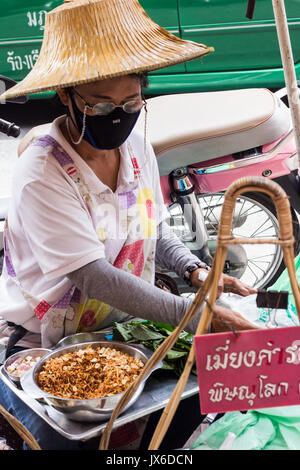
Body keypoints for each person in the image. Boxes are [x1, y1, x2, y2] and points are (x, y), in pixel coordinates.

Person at [0, 0, 257, 450]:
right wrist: (194, 315)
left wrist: (196, 272)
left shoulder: (137, 141)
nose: (118, 116)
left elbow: (151, 225)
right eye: (100, 107)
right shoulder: (43, 170)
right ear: (66, 95)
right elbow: (90, 275)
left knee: (187, 403)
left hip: (124, 322)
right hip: (45, 339)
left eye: (131, 101)